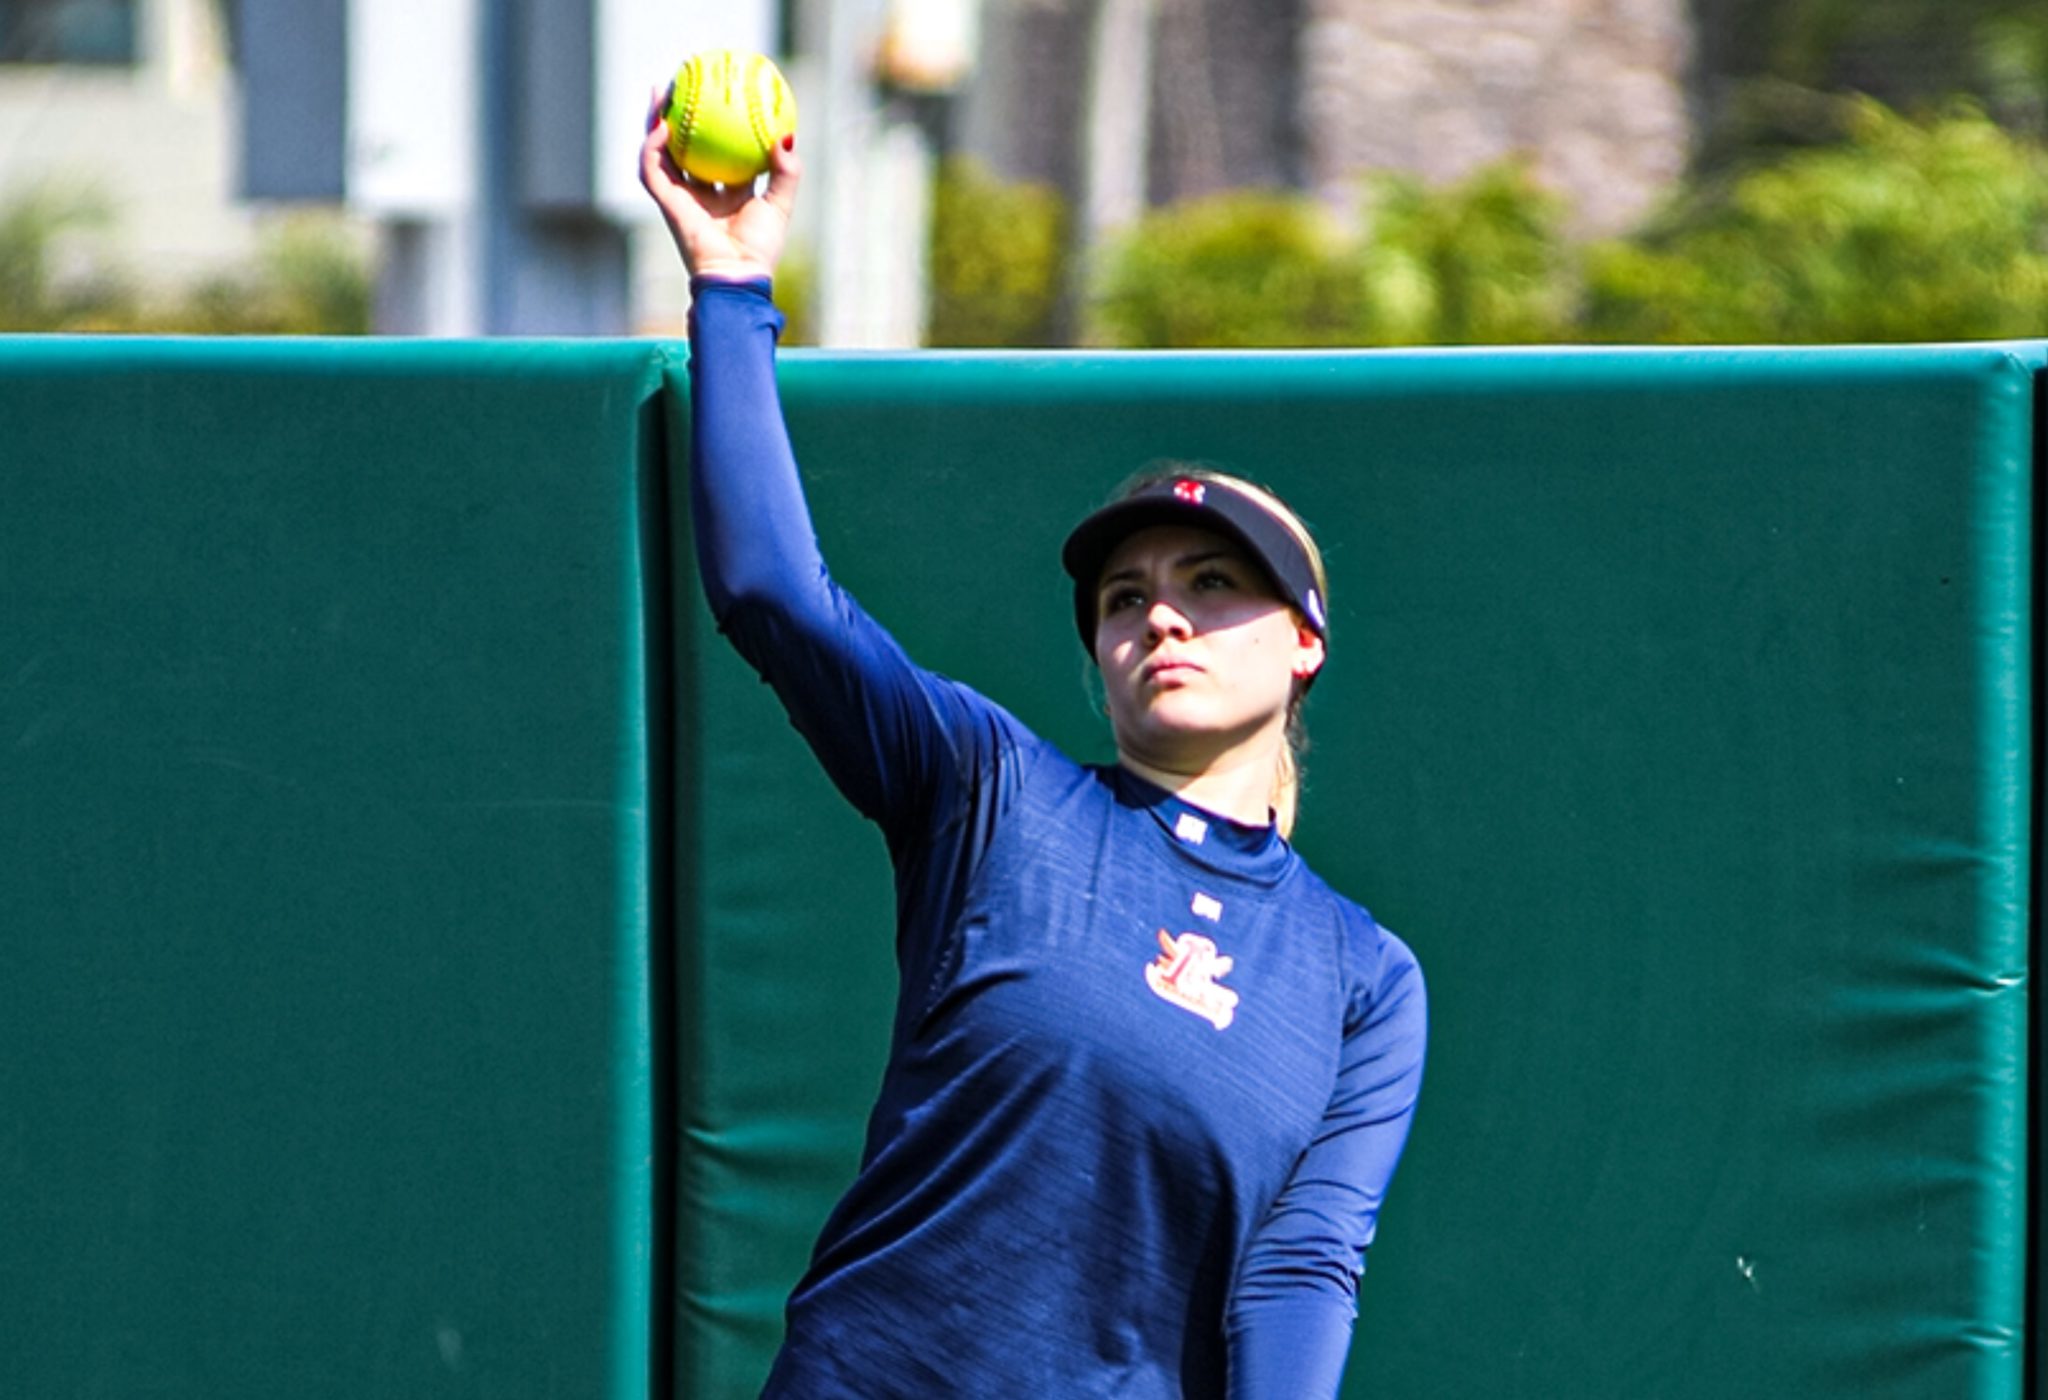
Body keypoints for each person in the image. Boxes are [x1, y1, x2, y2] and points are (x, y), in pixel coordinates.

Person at [641, 92, 1427, 1400]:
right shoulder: (994, 793)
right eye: (1125, 598)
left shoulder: (1364, 979)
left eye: (1212, 584)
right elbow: (773, 591)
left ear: (1305, 642)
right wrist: (731, 282)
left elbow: (1300, 1268)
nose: (1160, 614)